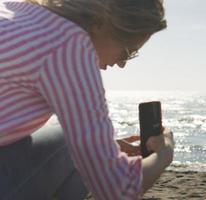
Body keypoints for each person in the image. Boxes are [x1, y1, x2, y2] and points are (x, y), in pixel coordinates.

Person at [0, 0, 174, 199]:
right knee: (68, 145)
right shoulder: (68, 45)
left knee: (66, 138)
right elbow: (118, 190)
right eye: (127, 50)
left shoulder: (18, 9)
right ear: (101, 22)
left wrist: (104, 147)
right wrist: (164, 155)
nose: (122, 64)